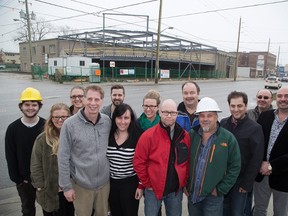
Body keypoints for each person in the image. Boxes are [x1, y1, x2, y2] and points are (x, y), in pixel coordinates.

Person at [58, 85, 111, 216]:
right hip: (81, 186)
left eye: (97, 99)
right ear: (84, 100)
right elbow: (63, 157)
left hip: (104, 185)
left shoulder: (107, 121)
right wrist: (66, 187)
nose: (93, 103)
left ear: (102, 101)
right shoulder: (69, 124)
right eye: (90, 99)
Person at [133, 99, 190, 216]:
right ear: (159, 112)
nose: (169, 116)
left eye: (173, 113)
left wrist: (183, 183)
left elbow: (187, 162)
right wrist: (147, 184)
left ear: (177, 114)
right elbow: (138, 161)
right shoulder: (148, 136)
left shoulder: (185, 136)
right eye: (165, 112)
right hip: (153, 190)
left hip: (175, 191)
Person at [186, 97, 241, 216]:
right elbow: (183, 161)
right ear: (198, 117)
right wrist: (186, 184)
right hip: (193, 194)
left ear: (216, 117)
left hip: (213, 197)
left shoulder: (228, 138)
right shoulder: (191, 135)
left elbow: (235, 166)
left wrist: (220, 189)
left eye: (209, 115)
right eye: (202, 115)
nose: (205, 119)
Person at [220, 91, 264, 216]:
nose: (236, 109)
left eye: (239, 106)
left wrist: (247, 183)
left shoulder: (255, 128)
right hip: (223, 179)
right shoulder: (223, 124)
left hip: (241, 182)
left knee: (238, 212)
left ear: (246, 106)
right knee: (223, 211)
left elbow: (256, 158)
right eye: (233, 106)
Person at [5, 87, 45, 216]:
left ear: (39, 106)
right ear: (21, 106)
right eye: (26, 104)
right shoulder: (13, 129)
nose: (30, 108)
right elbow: (10, 156)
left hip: (44, 178)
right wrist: (18, 179)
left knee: (49, 208)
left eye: (34, 104)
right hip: (24, 181)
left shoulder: (46, 126)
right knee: (27, 209)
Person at [30, 103, 74, 216]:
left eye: (64, 117)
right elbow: (35, 165)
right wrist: (40, 186)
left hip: (71, 188)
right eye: (56, 117)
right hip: (50, 191)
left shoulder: (74, 136)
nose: (60, 120)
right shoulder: (42, 139)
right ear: (51, 118)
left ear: (69, 118)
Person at [253, 86, 288, 216]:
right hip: (262, 174)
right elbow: (258, 142)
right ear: (275, 99)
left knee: (280, 212)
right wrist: (261, 162)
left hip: (284, 176)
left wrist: (271, 165)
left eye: (286, 96)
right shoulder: (265, 116)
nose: (283, 99)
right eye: (280, 96)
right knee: (259, 210)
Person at [107, 103, 143, 216]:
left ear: (131, 119)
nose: (122, 121)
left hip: (130, 184)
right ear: (115, 118)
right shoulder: (108, 135)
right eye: (119, 117)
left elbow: (143, 162)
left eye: (126, 118)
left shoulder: (138, 136)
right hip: (111, 184)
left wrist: (141, 185)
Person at [245, 89, 273, 216]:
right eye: (260, 97)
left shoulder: (275, 116)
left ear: (271, 100)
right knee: (247, 197)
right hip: (249, 164)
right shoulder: (248, 114)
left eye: (266, 97)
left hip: (265, 164)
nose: (262, 99)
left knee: (261, 203)